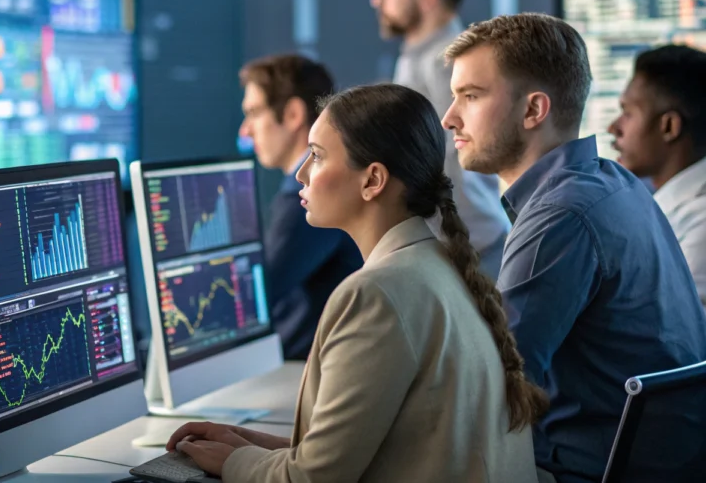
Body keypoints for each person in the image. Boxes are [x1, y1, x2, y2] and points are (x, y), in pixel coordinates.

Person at [166, 83, 547, 482]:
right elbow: (370, 455)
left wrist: (231, 464)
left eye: (317, 156)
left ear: (372, 180)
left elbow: (311, 480)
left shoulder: (377, 293)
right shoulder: (442, 265)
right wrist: (246, 445)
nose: (301, 173)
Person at [441, 13, 706, 483]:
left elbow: (493, 386)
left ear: (533, 110)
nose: (450, 117)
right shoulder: (612, 181)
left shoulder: (561, 214)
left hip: (583, 471)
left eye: (471, 96)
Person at [371, 0, 510, 279]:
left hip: (469, 253)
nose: (376, 0)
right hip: (457, 251)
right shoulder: (418, 56)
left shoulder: (450, 62)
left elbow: (449, 160)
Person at [238, 54, 362, 360]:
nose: (245, 130)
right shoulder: (314, 191)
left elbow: (254, 297)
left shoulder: (308, 201)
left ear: (293, 114)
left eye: (254, 113)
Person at [608, 44, 706, 308]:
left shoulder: (700, 222)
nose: (613, 127)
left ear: (669, 126)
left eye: (628, 113)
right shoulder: (661, 206)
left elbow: (677, 324)